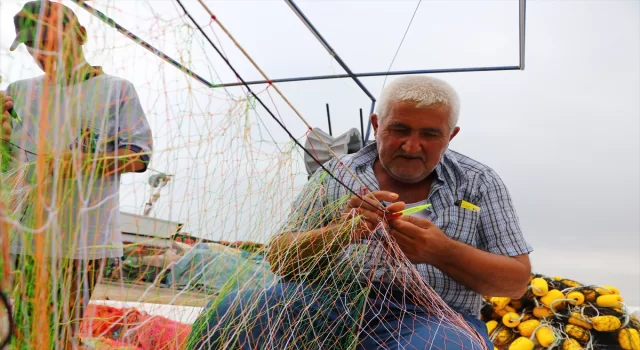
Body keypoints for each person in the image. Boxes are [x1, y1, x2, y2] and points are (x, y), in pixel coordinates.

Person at [188, 76, 533, 349]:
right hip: (325, 304)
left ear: (451, 135)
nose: (412, 146)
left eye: (430, 135)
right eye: (399, 129)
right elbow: (279, 258)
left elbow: (516, 282)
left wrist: (441, 252)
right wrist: (339, 233)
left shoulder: (479, 182)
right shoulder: (336, 172)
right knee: (233, 313)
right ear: (376, 124)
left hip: (435, 317)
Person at [0, 1, 153, 348]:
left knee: (57, 331)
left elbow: (140, 155)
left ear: (80, 34)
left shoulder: (117, 90)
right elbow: (7, 162)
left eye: (48, 38)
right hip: (25, 236)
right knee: (19, 331)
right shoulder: (19, 91)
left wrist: (83, 162)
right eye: (31, 44)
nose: (40, 51)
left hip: (84, 241)